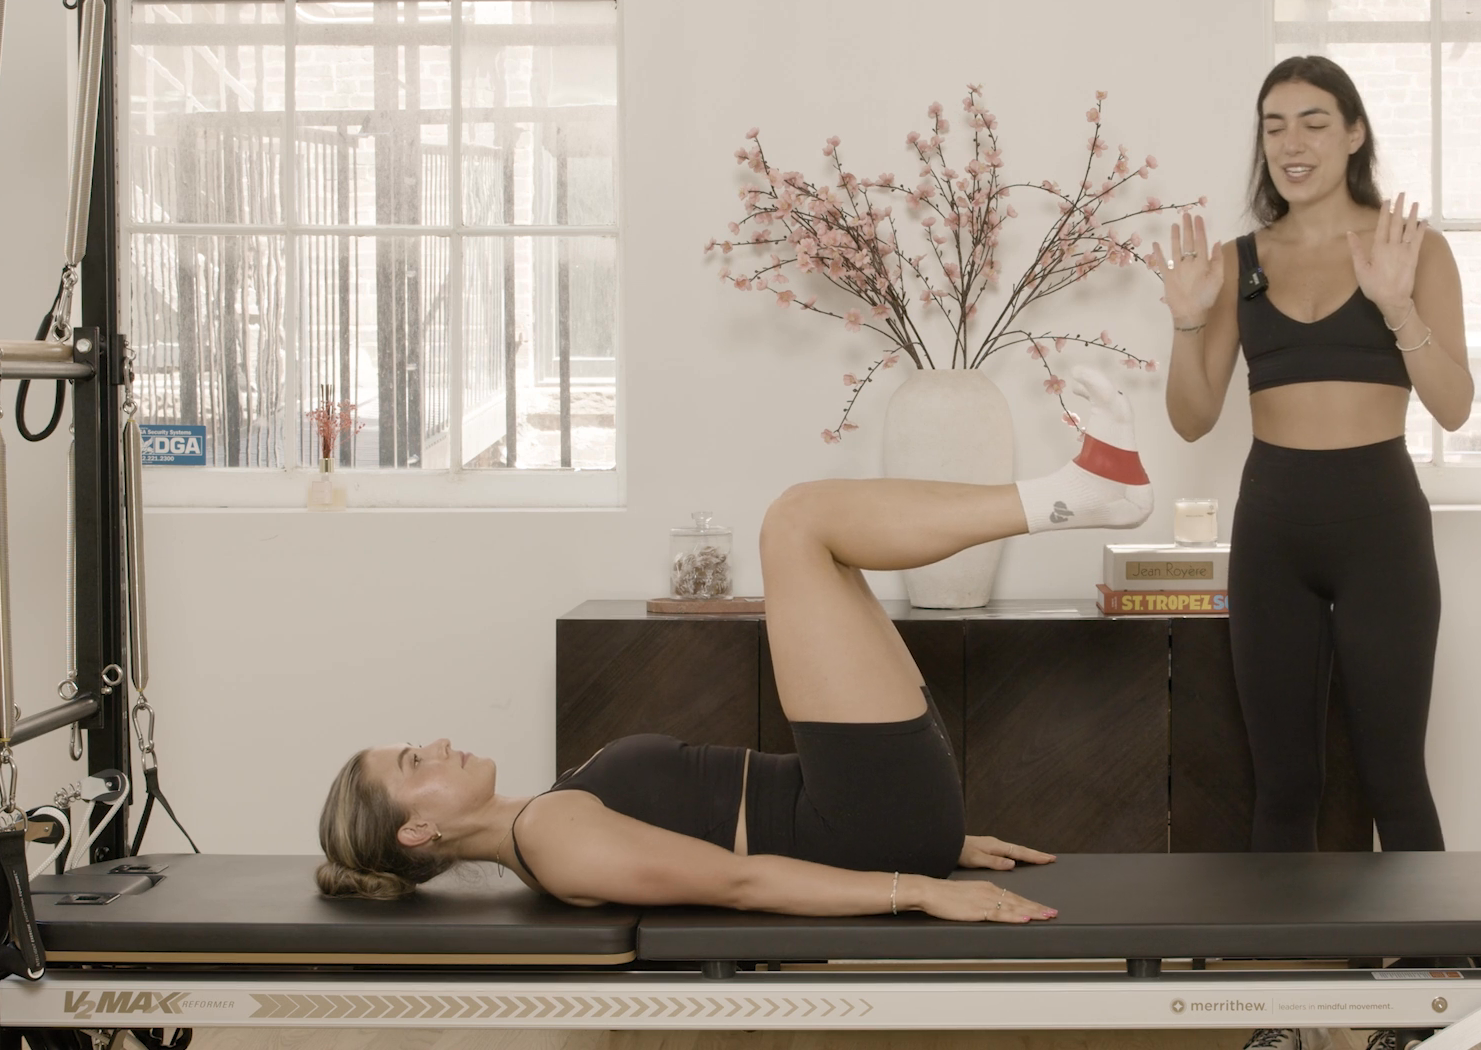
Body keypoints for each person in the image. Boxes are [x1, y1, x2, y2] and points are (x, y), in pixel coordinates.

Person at [316, 369, 1155, 923]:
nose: (435, 744)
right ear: (418, 831)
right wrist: (921, 888)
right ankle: (1083, 493)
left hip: (869, 811)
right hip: (867, 823)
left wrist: (938, 842)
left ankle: (1083, 492)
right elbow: (740, 883)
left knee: (819, 537)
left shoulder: (549, 812)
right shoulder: (554, 841)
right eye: (412, 763)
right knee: (798, 522)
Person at [1154, 55, 1474, 1050]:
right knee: (1284, 785)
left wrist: (1398, 306)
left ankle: (1422, 1011)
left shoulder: (1414, 248)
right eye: (1274, 125)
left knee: (1394, 777)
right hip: (1274, 532)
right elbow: (1193, 417)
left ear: (1355, 133)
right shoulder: (1239, 261)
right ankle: (1285, 1012)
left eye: (1313, 122)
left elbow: (1455, 407)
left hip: (1382, 529)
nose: (1290, 144)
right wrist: (1190, 320)